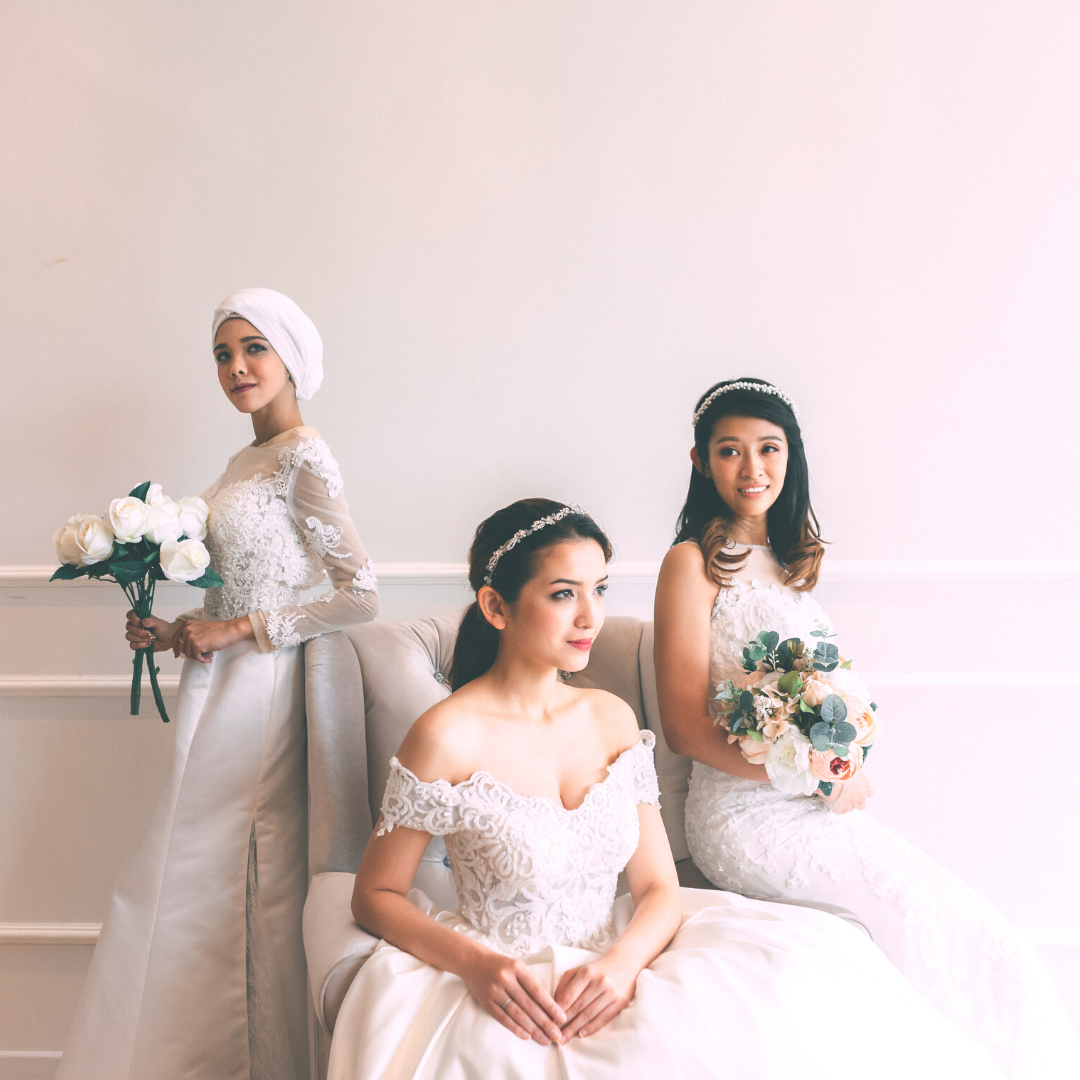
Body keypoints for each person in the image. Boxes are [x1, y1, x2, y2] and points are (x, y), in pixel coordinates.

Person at [327, 497, 1005, 1080]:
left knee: (801, 1005)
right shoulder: (445, 735)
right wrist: (478, 967)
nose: (589, 616)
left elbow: (657, 888)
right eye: (563, 594)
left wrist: (622, 965)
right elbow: (375, 895)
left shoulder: (611, 719)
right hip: (506, 982)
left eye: (599, 589)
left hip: (622, 959)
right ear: (496, 606)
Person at [653, 377, 1080, 1079]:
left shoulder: (791, 563)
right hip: (743, 819)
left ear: (791, 455)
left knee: (977, 930)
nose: (752, 468)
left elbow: (815, 698)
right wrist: (816, 775)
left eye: (768, 448)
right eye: (730, 450)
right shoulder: (690, 563)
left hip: (815, 806)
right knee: (923, 918)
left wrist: (839, 752)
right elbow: (684, 730)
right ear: (700, 461)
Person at [58, 288, 379, 1080]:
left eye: (253, 349)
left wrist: (236, 632)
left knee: (235, 867)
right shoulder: (244, 460)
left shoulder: (305, 454)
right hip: (220, 684)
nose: (236, 367)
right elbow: (234, 586)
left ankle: (256, 1059)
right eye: (223, 355)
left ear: (290, 357)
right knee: (196, 868)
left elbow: (361, 594)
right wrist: (174, 631)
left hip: (265, 691)